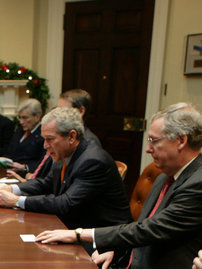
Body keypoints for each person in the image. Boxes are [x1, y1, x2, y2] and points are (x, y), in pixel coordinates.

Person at [36, 102, 202, 269]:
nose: (148, 149)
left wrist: (79, 234)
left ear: (181, 140)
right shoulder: (164, 176)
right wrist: (116, 248)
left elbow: (152, 230)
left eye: (154, 140)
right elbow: (142, 229)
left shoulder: (198, 183)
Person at [0, 107, 132, 232]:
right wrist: (12, 189)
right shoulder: (66, 153)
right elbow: (45, 183)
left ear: (71, 136)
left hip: (103, 237)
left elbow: (66, 203)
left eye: (50, 139)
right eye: (44, 139)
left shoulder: (92, 161)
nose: (45, 146)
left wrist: (16, 201)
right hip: (73, 226)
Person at [4, 99, 47, 173]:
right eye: (20, 117)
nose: (21, 122)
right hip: (10, 171)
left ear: (37, 117)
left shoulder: (43, 134)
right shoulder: (19, 130)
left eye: (25, 118)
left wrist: (25, 167)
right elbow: (9, 152)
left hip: (28, 175)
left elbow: (44, 163)